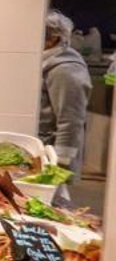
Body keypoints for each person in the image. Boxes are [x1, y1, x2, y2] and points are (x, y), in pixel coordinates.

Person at [40, 9, 92, 178]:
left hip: (52, 157)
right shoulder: (46, 61)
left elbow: (71, 120)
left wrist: (59, 164)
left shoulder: (66, 69)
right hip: (43, 151)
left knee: (55, 199)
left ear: (53, 37)